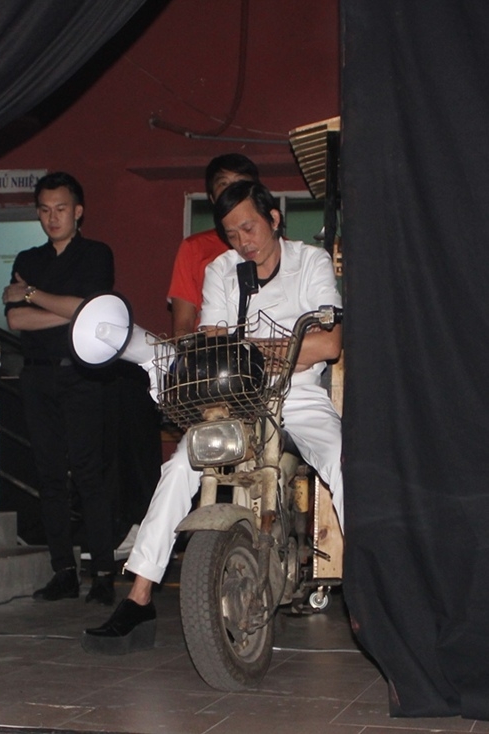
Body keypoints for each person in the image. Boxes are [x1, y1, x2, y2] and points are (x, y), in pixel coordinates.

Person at [81, 180, 343, 653]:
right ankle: (139, 598)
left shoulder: (311, 261)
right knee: (180, 466)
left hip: (298, 394)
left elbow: (328, 344)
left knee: (341, 458)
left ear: (274, 219)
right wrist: (279, 348)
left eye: (250, 227)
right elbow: (215, 345)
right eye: (232, 233)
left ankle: (374, 579)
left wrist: (254, 348)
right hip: (238, 395)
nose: (243, 241)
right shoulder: (222, 270)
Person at [2, 171, 117, 605]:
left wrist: (31, 294)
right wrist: (69, 310)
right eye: (45, 210)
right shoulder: (28, 257)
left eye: (61, 209)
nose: (53, 218)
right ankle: (63, 571)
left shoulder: (95, 254)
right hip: (37, 375)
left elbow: (91, 308)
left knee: (88, 473)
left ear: (78, 211)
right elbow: (16, 319)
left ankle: (103, 572)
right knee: (49, 475)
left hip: (80, 375)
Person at [167, 153, 260, 336]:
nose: (232, 191)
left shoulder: (280, 248)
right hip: (210, 348)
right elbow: (183, 323)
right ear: (212, 197)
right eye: (224, 184)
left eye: (240, 183)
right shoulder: (194, 247)